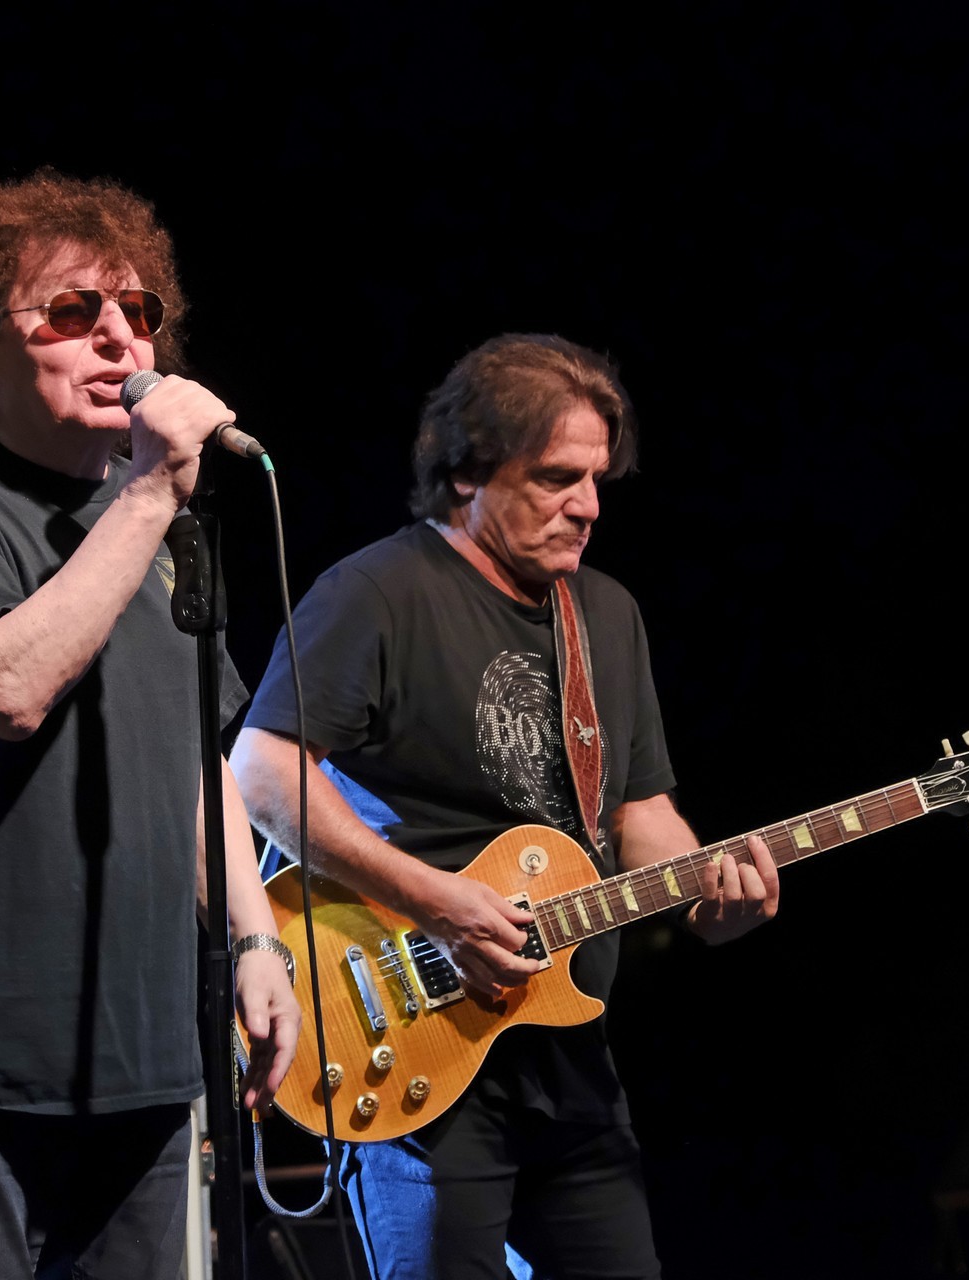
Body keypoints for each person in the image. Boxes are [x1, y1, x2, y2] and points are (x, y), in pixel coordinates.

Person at [231, 333, 780, 1280]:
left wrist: (707, 896)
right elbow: (263, 771)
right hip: (413, 1032)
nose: (589, 505)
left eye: (598, 479)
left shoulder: (605, 613)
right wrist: (437, 903)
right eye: (558, 477)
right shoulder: (375, 593)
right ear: (466, 472)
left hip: (567, 1048)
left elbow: (637, 811)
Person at [0, 169, 300, 1280]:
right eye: (71, 310)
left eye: (138, 311)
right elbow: (6, 690)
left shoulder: (153, 524)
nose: (118, 336)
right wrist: (148, 494)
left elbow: (197, 759)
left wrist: (255, 939)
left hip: (144, 1054)